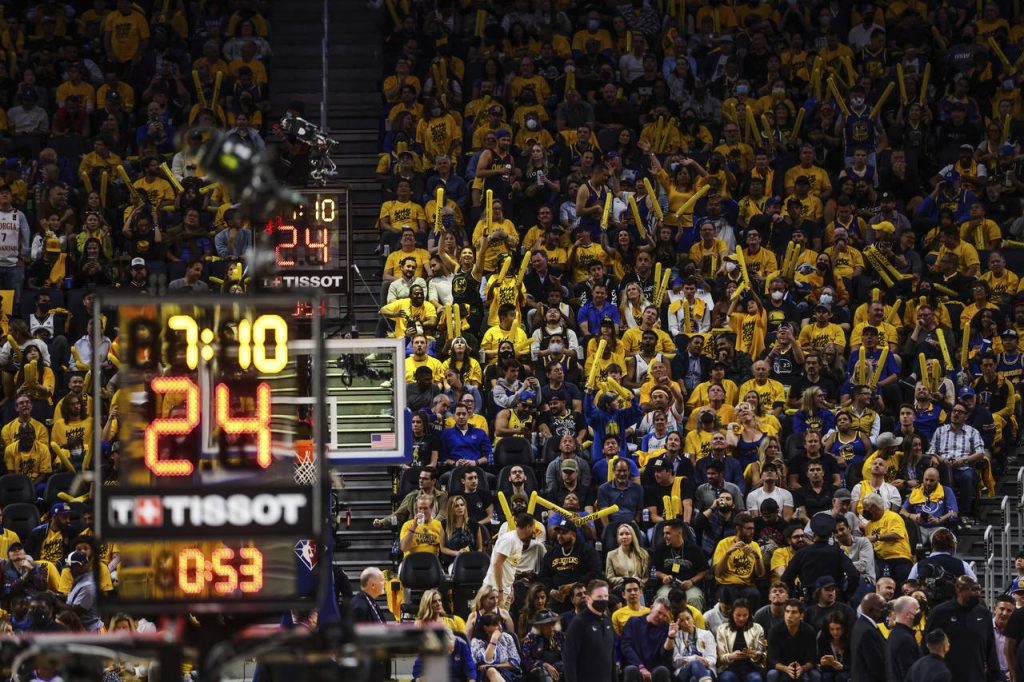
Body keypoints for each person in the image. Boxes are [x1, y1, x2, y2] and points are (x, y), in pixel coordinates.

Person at [925, 576, 1002, 681]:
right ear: (959, 590)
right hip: (946, 677)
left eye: (978, 589)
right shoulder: (940, 613)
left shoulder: (985, 614)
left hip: (976, 677)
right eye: (972, 589)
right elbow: (926, 646)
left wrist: (996, 677)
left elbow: (991, 650)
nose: (977, 593)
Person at [780, 514, 859, 603]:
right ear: (831, 535)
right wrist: (845, 596)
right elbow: (854, 575)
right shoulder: (838, 553)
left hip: (810, 602)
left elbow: (786, 578)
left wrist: (793, 598)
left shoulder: (801, 554)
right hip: (835, 602)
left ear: (813, 534)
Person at [563, 579, 616, 682]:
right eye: (599, 597)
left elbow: (611, 656)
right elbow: (569, 660)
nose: (603, 600)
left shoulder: (608, 621)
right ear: (588, 598)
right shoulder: (578, 623)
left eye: (605, 596)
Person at [485, 514, 542, 610]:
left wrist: (510, 588)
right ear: (528, 526)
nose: (534, 531)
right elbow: (497, 564)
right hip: (495, 589)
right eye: (533, 527)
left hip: (505, 589)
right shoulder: (509, 540)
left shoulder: (518, 541)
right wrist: (500, 591)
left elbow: (510, 567)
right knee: (492, 618)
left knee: (502, 618)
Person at [712, 512, 765, 607]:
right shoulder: (723, 544)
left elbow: (760, 574)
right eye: (748, 529)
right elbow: (718, 573)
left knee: (754, 594)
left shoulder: (755, 546)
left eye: (753, 528)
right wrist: (727, 554)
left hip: (746, 585)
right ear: (738, 528)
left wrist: (757, 557)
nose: (752, 532)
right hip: (726, 584)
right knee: (729, 594)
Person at [620, 598, 674, 682]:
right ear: (651, 608)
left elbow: (665, 656)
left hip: (655, 668)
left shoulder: (666, 628)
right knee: (631, 670)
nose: (661, 617)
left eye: (664, 616)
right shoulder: (633, 622)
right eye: (659, 612)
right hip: (635, 665)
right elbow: (626, 646)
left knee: (662, 670)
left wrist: (670, 637)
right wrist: (641, 666)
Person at [765, 599, 818, 682]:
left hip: (802, 668)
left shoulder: (809, 631)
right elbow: (772, 659)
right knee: (772, 674)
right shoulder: (774, 631)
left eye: (794, 612)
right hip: (782, 669)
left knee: (815, 674)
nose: (789, 615)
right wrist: (786, 669)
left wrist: (802, 668)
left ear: (801, 615)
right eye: (787, 611)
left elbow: (812, 659)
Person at [714, 598, 766, 682]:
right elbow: (720, 658)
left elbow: (762, 655)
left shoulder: (757, 628)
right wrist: (731, 656)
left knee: (756, 679)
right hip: (729, 668)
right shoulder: (722, 629)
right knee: (726, 678)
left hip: (751, 668)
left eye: (745, 615)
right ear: (732, 614)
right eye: (738, 615)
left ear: (749, 615)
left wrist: (755, 655)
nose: (741, 618)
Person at [470, 612, 522, 681]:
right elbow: (486, 660)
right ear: (485, 627)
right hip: (484, 677)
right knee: (491, 670)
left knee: (491, 669)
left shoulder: (507, 637)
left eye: (500, 623)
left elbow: (515, 663)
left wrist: (495, 666)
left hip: (508, 674)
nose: (500, 627)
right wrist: (493, 640)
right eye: (495, 625)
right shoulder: (477, 642)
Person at [671, 608, 718, 682]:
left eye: (688, 618)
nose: (686, 623)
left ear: (692, 618)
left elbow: (712, 657)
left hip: (706, 668)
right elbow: (675, 661)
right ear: (678, 623)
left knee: (694, 679)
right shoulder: (675, 637)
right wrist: (694, 658)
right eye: (682, 621)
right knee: (696, 663)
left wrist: (705, 662)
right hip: (684, 671)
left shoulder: (707, 634)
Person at [849, 593, 886, 682]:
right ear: (871, 609)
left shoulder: (861, 624)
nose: (884, 610)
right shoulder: (867, 631)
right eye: (882, 607)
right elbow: (875, 664)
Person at [521, 609, 565, 682]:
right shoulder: (531, 638)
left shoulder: (560, 636)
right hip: (539, 673)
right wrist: (544, 665)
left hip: (559, 670)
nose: (551, 628)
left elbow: (568, 658)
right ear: (539, 626)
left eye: (552, 624)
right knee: (543, 674)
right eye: (547, 625)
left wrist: (554, 667)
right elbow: (525, 661)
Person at [884, 596, 921, 682]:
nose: (920, 612)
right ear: (908, 614)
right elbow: (909, 675)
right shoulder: (904, 639)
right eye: (917, 609)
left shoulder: (895, 633)